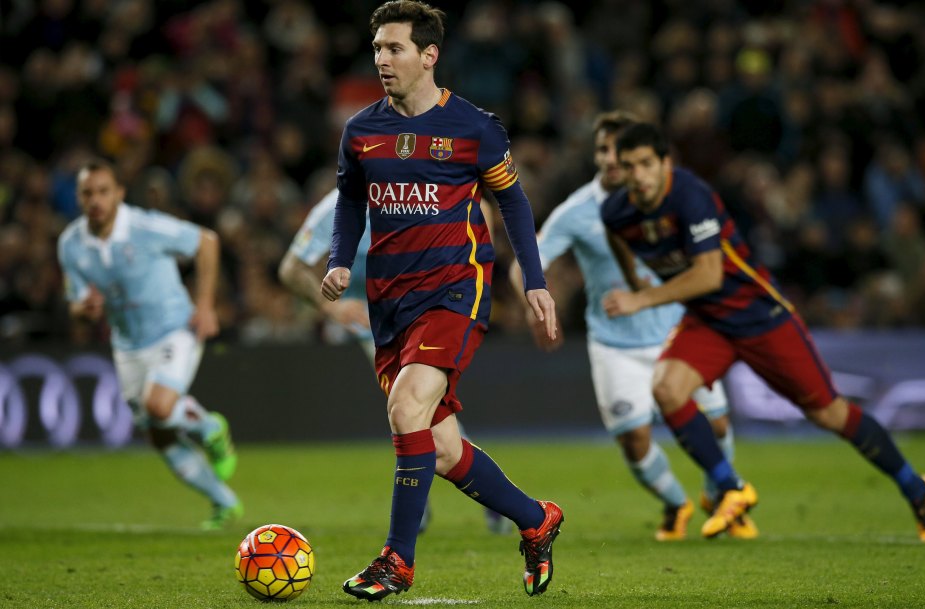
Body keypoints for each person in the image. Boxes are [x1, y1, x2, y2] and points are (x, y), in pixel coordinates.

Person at [600, 122, 925, 543]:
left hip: (759, 314)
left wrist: (643, 299)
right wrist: (635, 285)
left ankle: (916, 487)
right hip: (708, 322)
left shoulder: (690, 195)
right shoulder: (616, 212)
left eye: (646, 164)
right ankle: (731, 488)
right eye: (629, 166)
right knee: (667, 388)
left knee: (829, 413)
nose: (638, 175)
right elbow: (621, 240)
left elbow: (709, 275)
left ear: (665, 164)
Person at [321, 0, 563, 599]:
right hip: (389, 301)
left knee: (406, 411)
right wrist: (338, 261)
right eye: (377, 48)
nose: (382, 59)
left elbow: (513, 201)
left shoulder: (473, 128)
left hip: (457, 288)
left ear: (429, 55)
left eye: (394, 48)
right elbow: (352, 202)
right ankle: (536, 519)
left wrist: (533, 278)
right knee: (444, 446)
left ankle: (396, 560)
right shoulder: (362, 132)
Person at [510, 111, 756, 541]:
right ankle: (675, 503)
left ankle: (721, 497)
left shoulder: (671, 197)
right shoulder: (577, 212)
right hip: (615, 344)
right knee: (635, 441)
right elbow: (524, 263)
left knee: (716, 424)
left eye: (618, 151)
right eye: (602, 149)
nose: (610, 159)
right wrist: (535, 308)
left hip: (680, 331)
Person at [279, 187, 512, 534]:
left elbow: (481, 214)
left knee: (415, 410)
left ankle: (426, 513)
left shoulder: (424, 186)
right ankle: (492, 502)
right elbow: (291, 268)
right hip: (374, 322)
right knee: (420, 413)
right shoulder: (340, 204)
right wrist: (331, 307)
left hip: (430, 309)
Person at [57, 159, 242, 530]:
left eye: (103, 191)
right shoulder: (71, 245)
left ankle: (209, 428)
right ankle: (224, 502)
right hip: (127, 345)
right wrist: (84, 309)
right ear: (78, 198)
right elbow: (76, 304)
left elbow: (207, 242)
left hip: (175, 329)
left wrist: (204, 305)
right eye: (88, 193)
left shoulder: (145, 227)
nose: (96, 200)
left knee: (159, 406)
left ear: (119, 194)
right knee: (159, 435)